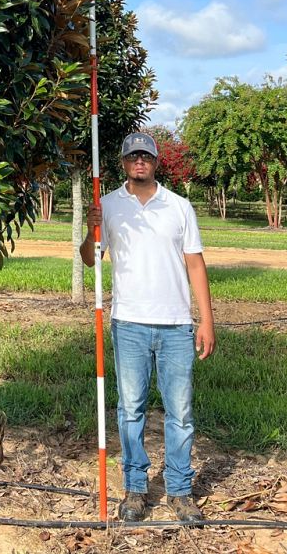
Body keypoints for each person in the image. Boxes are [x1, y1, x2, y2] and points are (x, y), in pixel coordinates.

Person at [80, 132, 215, 524]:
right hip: (130, 324)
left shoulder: (179, 206)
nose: (139, 161)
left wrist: (205, 320)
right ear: (123, 163)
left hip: (176, 326)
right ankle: (135, 489)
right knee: (131, 410)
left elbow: (195, 264)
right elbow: (91, 260)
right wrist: (92, 231)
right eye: (132, 156)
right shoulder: (106, 205)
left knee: (181, 412)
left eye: (146, 156)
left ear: (156, 162)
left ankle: (179, 490)